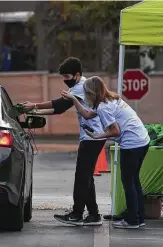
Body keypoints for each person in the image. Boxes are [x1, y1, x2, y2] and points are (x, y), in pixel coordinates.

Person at [22, 57, 106, 226]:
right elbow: (59, 109)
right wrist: (36, 112)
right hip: (93, 137)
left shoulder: (82, 86)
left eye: (67, 76)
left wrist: (34, 106)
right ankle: (94, 214)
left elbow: (59, 105)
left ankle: (76, 214)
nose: (65, 80)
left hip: (92, 137)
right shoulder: (79, 86)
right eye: (63, 77)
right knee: (86, 176)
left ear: (77, 74)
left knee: (82, 176)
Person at [61, 76, 150, 229]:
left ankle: (132, 220)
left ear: (91, 93)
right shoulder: (110, 99)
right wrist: (73, 99)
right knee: (134, 180)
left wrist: (98, 135)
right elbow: (87, 114)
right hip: (142, 140)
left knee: (128, 182)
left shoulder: (103, 107)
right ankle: (138, 216)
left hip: (132, 144)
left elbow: (115, 131)